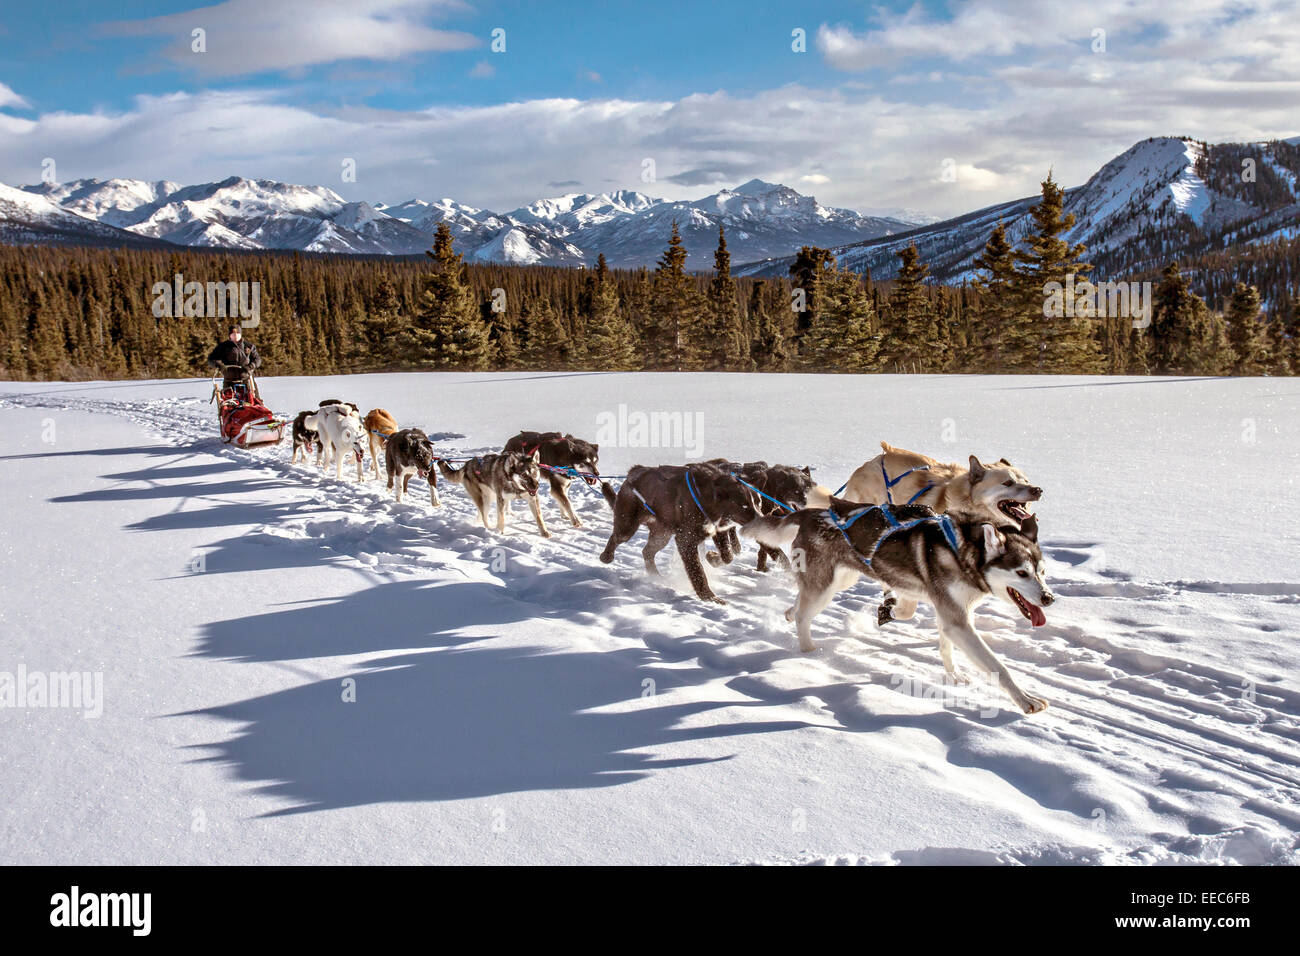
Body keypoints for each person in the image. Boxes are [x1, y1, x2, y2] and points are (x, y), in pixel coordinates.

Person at [207, 325, 262, 397]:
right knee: (228, 404)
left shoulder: (249, 346)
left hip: (247, 380)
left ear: (241, 335)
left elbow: (257, 359)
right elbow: (211, 359)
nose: (235, 336)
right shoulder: (223, 347)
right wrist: (219, 365)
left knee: (254, 401)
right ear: (230, 335)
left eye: (237, 334)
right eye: (233, 334)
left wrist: (251, 366)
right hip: (229, 381)